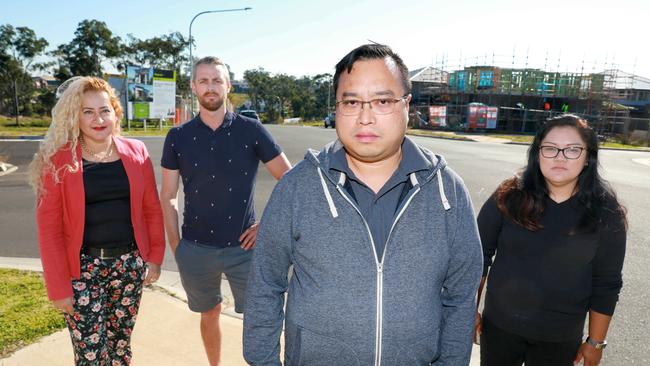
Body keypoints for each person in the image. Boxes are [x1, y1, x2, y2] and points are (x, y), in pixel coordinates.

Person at [244, 44, 483, 365]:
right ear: (337, 106)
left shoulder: (447, 191)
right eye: (352, 102)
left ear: (406, 105)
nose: (365, 117)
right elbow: (265, 283)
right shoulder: (297, 187)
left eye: (383, 101)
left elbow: (461, 295)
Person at [160, 56, 291, 366]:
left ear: (228, 86)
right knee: (209, 312)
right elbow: (168, 196)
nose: (210, 87)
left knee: (260, 317)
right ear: (193, 87)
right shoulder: (177, 136)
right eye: (203, 80)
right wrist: (176, 245)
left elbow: (290, 180)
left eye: (217, 80)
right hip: (195, 248)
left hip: (245, 249)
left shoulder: (252, 130)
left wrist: (266, 225)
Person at [30, 76, 165, 365]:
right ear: (74, 117)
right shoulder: (58, 160)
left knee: (120, 350)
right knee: (91, 356)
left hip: (129, 266)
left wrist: (154, 257)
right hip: (82, 272)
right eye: (87, 111)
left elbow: (151, 208)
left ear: (115, 111)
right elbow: (49, 230)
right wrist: (58, 287)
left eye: (104, 110)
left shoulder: (137, 151)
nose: (98, 119)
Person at [475, 114, 627, 366]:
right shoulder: (508, 197)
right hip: (499, 329)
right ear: (537, 154)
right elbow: (477, 257)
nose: (559, 156)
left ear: (588, 157)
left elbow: (607, 283)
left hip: (560, 339)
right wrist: (469, 312)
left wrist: (596, 342)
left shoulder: (606, 213)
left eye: (572, 150)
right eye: (550, 148)